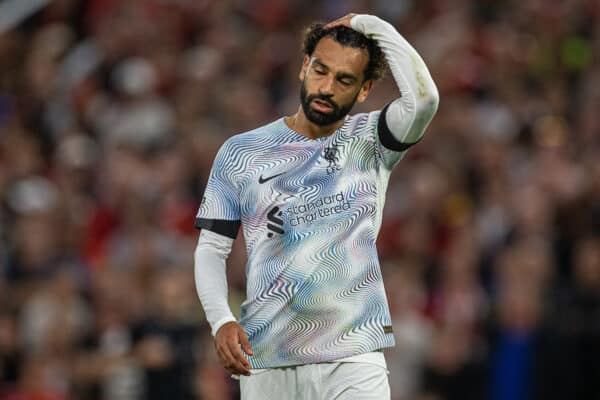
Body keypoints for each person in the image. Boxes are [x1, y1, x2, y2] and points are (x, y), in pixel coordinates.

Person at [193, 12, 439, 399]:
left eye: (344, 80)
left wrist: (370, 24)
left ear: (364, 89)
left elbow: (425, 99)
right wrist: (221, 320)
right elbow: (212, 249)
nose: (326, 87)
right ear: (304, 66)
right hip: (268, 356)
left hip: (354, 352)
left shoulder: (371, 141)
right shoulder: (241, 153)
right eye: (320, 70)